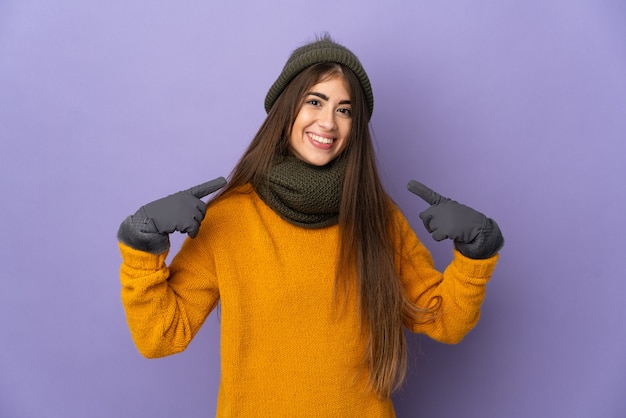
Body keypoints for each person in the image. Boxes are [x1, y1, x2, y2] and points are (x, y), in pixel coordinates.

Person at [116, 34, 504, 417]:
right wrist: (142, 246)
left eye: (344, 109)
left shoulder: (377, 217)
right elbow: (161, 336)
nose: (328, 122)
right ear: (286, 109)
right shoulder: (231, 217)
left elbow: (444, 320)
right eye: (314, 102)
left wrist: (476, 253)